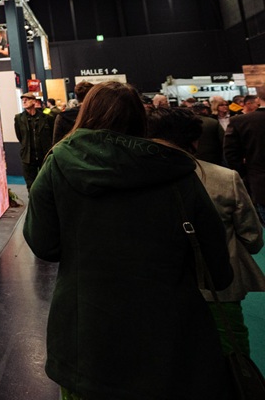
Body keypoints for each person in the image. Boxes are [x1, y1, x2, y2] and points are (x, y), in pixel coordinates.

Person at [23, 81, 232, 399]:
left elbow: (44, 245)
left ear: (86, 113)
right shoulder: (174, 168)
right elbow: (217, 264)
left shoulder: (59, 164)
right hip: (170, 336)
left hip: (86, 333)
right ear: (141, 117)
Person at [149, 106, 265, 357]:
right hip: (220, 287)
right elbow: (253, 239)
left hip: (158, 288)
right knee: (234, 358)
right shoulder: (226, 178)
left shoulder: (135, 181)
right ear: (195, 140)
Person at [224, 88, 265, 224]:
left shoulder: (240, 121)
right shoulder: (240, 121)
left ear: (258, 99)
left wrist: (245, 173)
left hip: (259, 182)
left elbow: (231, 154)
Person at [13, 93, 53, 185]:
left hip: (44, 155)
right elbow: (20, 137)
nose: (24, 102)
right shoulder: (19, 118)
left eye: (27, 99)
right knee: (31, 184)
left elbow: (51, 135)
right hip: (28, 156)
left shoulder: (46, 118)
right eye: (23, 100)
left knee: (47, 182)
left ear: (34, 101)